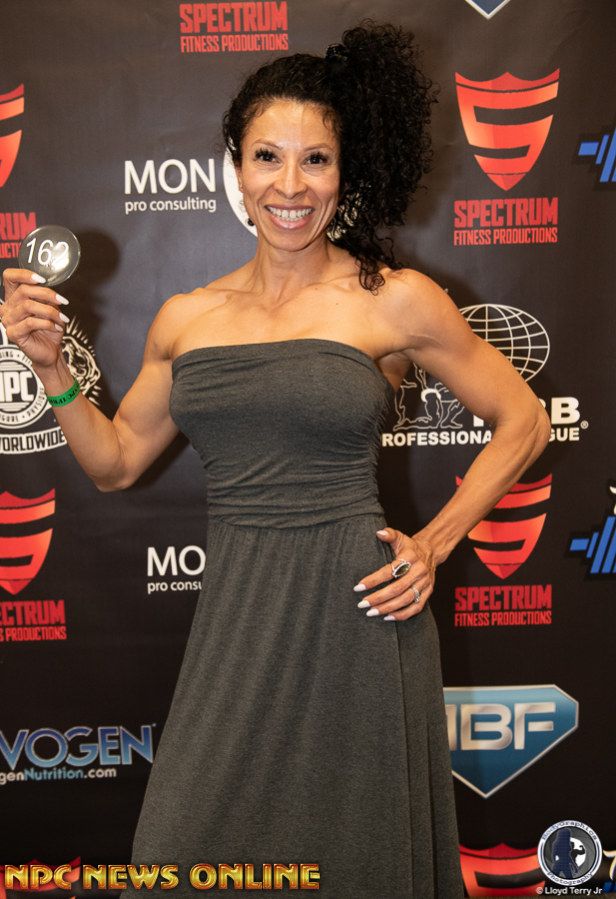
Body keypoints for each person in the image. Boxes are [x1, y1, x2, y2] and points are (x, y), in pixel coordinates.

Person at [0, 20, 551, 898]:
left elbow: (523, 419)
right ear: (236, 168)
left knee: (359, 863)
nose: (290, 186)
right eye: (268, 157)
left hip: (360, 614)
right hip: (238, 618)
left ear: (344, 172)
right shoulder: (188, 316)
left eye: (315, 160)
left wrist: (435, 542)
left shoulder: (394, 299)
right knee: (182, 849)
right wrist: (51, 370)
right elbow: (115, 462)